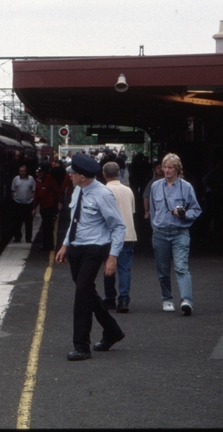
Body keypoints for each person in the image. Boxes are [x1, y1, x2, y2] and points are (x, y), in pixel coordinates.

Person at [55, 154, 126, 361]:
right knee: (87, 292)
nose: (69, 176)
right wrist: (65, 245)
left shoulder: (103, 194)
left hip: (95, 249)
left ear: (82, 177)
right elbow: (75, 221)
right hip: (77, 248)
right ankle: (112, 331)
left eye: (73, 174)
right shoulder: (78, 190)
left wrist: (112, 257)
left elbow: (119, 226)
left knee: (81, 297)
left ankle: (81, 346)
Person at [147, 153, 201, 316]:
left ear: (177, 169)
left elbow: (196, 209)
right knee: (162, 269)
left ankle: (186, 300)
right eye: (164, 167)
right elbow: (152, 209)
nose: (166, 170)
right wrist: (155, 227)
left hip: (180, 232)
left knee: (181, 267)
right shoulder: (155, 186)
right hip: (160, 232)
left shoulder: (186, 186)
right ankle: (167, 298)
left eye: (170, 167)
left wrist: (184, 214)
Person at [101, 161, 137, 313]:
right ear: (119, 173)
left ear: (104, 174)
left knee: (108, 267)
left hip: (109, 236)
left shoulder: (102, 191)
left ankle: (110, 298)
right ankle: (124, 299)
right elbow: (132, 211)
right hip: (128, 234)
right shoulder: (128, 190)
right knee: (124, 268)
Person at [32, 164, 60, 251]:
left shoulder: (50, 179)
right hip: (43, 207)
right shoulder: (37, 181)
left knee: (47, 225)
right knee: (45, 225)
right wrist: (34, 207)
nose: (39, 174)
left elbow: (57, 191)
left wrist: (59, 202)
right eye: (38, 172)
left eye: (40, 172)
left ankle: (49, 245)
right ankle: (46, 245)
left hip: (50, 206)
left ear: (44, 172)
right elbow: (36, 195)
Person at [11, 165, 36, 243]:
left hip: (28, 204)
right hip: (18, 204)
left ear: (26, 171)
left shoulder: (31, 179)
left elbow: (34, 191)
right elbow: (13, 190)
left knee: (28, 222)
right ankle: (17, 238)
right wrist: (14, 200)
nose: (22, 173)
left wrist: (32, 201)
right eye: (21, 171)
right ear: (19, 172)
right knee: (17, 222)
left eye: (24, 171)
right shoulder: (15, 179)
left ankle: (28, 238)